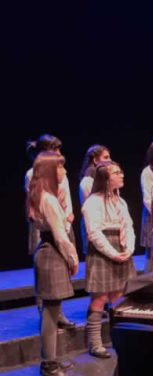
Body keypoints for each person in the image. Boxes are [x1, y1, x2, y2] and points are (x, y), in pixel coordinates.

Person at [27, 152, 79, 376]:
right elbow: (60, 235)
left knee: (51, 310)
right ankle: (49, 364)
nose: (64, 172)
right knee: (50, 312)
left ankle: (51, 361)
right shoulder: (48, 199)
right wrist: (73, 258)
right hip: (53, 253)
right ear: (50, 171)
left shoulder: (42, 195)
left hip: (48, 253)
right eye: (60, 168)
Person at [82, 161, 136, 358]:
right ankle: (95, 344)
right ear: (105, 178)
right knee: (100, 298)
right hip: (104, 250)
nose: (122, 175)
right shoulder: (92, 202)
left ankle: (117, 338)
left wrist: (129, 249)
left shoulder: (120, 202)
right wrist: (113, 253)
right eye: (116, 172)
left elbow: (129, 227)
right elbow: (94, 233)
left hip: (121, 248)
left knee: (118, 298)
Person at [78, 145, 111, 255]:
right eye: (106, 157)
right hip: (94, 226)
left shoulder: (105, 179)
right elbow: (92, 208)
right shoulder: (88, 181)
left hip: (107, 225)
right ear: (96, 160)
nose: (109, 160)